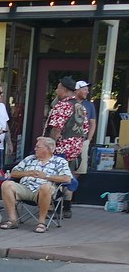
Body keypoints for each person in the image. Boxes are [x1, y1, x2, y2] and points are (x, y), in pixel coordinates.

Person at [0, 136, 73, 232]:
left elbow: (67, 178)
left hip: (44, 191)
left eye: (38, 147)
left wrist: (46, 176)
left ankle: (41, 223)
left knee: (45, 187)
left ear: (48, 149)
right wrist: (27, 173)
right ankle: (12, 220)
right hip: (25, 188)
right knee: (6, 184)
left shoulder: (59, 162)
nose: (35, 149)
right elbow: (13, 173)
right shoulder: (29, 159)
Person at [45, 76, 87, 216]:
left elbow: (56, 129)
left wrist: (49, 147)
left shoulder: (63, 105)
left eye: (58, 88)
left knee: (55, 178)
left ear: (64, 89)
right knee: (68, 177)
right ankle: (67, 208)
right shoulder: (80, 107)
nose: (56, 90)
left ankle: (54, 209)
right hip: (74, 150)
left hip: (60, 149)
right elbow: (85, 129)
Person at [74, 80, 96, 179]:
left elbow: (92, 123)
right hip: (67, 140)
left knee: (79, 168)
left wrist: (88, 140)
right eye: (84, 89)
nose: (87, 92)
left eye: (87, 89)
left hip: (82, 140)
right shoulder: (68, 103)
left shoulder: (89, 105)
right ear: (77, 90)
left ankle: (70, 187)